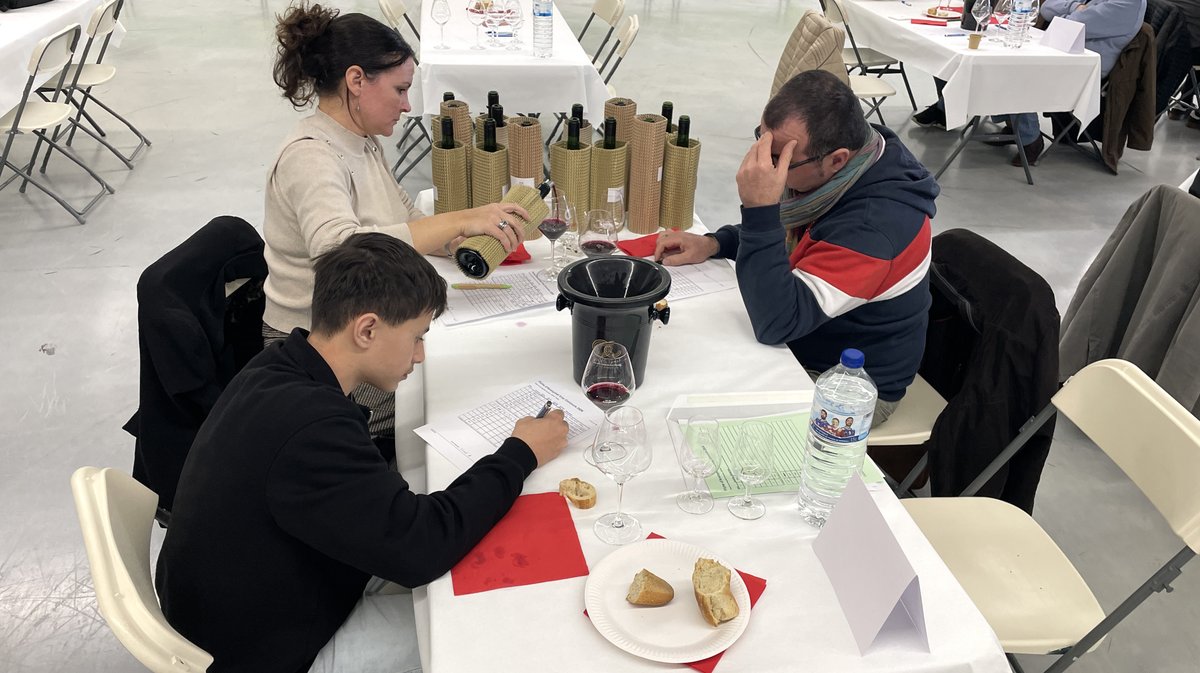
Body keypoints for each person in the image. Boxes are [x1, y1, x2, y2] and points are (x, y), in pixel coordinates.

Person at [156, 233, 569, 673]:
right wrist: (520, 453)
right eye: (416, 336)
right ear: (367, 328)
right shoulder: (312, 430)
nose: (421, 355)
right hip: (270, 651)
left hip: (256, 601)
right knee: (488, 626)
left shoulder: (279, 366)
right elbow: (421, 549)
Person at [264, 3, 528, 436]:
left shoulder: (359, 141)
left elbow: (405, 217)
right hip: (321, 348)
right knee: (455, 398)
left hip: (361, 327)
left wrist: (460, 239)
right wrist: (458, 220)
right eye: (400, 90)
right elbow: (339, 252)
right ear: (356, 80)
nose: (407, 106)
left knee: (469, 368)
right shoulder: (311, 156)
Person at [654, 71, 937, 425]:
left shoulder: (874, 226)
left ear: (836, 159)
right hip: (807, 339)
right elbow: (793, 234)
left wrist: (759, 209)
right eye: (761, 140)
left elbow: (777, 323)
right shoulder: (854, 163)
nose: (762, 163)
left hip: (843, 385)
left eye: (780, 157)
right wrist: (716, 242)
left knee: (684, 406)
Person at [912, 0, 1147, 165]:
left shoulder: (1128, 4)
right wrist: (1074, 6)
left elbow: (1075, 23)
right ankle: (951, 109)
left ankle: (1029, 137)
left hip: (1082, 66)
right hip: (1057, 48)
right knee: (955, 52)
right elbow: (1046, 6)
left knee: (1008, 68)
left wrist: (1069, 12)